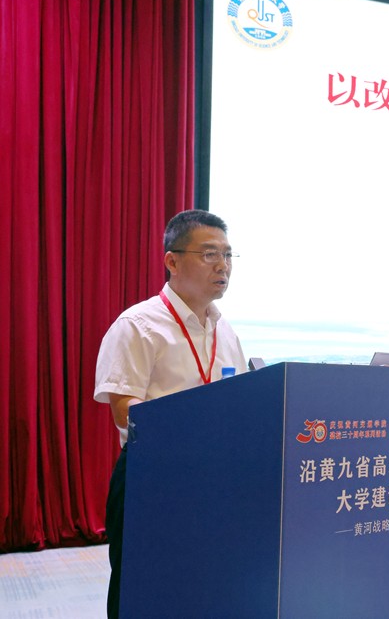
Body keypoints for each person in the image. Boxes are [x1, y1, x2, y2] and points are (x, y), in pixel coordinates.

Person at [94, 209, 247, 618]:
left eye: (228, 255)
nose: (223, 266)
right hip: (153, 476)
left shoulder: (225, 331)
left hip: (212, 476)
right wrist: (192, 420)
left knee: (201, 583)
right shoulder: (138, 324)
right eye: (210, 254)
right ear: (172, 261)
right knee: (140, 587)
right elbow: (123, 410)